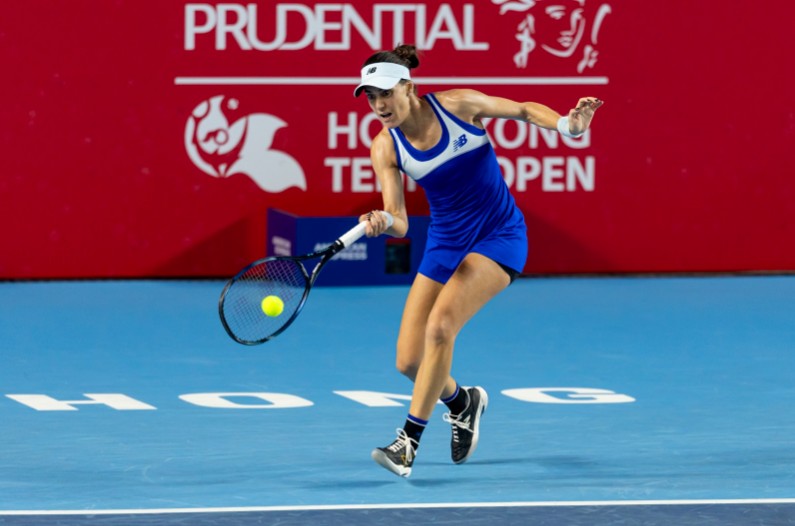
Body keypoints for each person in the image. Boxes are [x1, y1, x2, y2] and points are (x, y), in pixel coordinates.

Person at [353, 44, 602, 478]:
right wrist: (380, 221)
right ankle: (463, 402)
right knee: (408, 361)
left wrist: (568, 125)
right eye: (371, 97)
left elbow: (524, 110)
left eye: (385, 94)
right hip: (446, 244)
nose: (379, 105)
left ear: (408, 87)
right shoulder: (384, 147)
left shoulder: (458, 105)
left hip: (498, 235)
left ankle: (407, 442)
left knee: (441, 326)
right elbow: (400, 223)